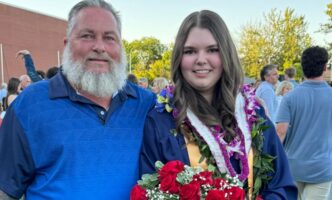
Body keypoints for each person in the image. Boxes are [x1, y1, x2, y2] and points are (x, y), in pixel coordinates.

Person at [0, 0, 155, 199]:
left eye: (109, 38)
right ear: (66, 45)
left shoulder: (145, 103)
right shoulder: (31, 104)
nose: (99, 47)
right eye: (87, 36)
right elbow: (3, 191)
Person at [139, 10, 297, 199]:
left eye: (212, 50)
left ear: (226, 55)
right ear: (179, 59)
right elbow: (148, 192)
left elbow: (282, 186)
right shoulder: (160, 122)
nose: (201, 59)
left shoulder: (253, 114)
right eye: (190, 51)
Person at [276, 46, 332, 200]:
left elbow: (280, 132)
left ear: (303, 67)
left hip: (293, 167)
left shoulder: (289, 97)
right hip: (322, 168)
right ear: (325, 67)